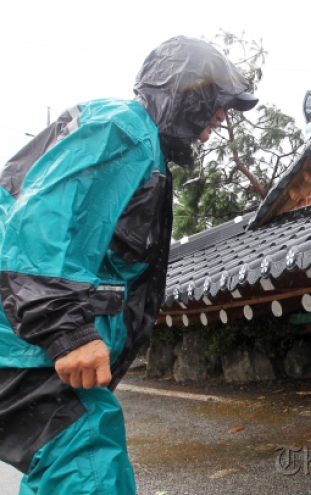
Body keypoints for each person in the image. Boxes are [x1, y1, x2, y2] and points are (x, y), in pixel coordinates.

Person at [0, 36, 257, 494]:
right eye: (216, 106)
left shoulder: (140, 144)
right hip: (21, 339)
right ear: (187, 94)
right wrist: (66, 331)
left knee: (83, 453)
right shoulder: (124, 130)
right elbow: (41, 224)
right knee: (85, 456)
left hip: (21, 336)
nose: (219, 121)